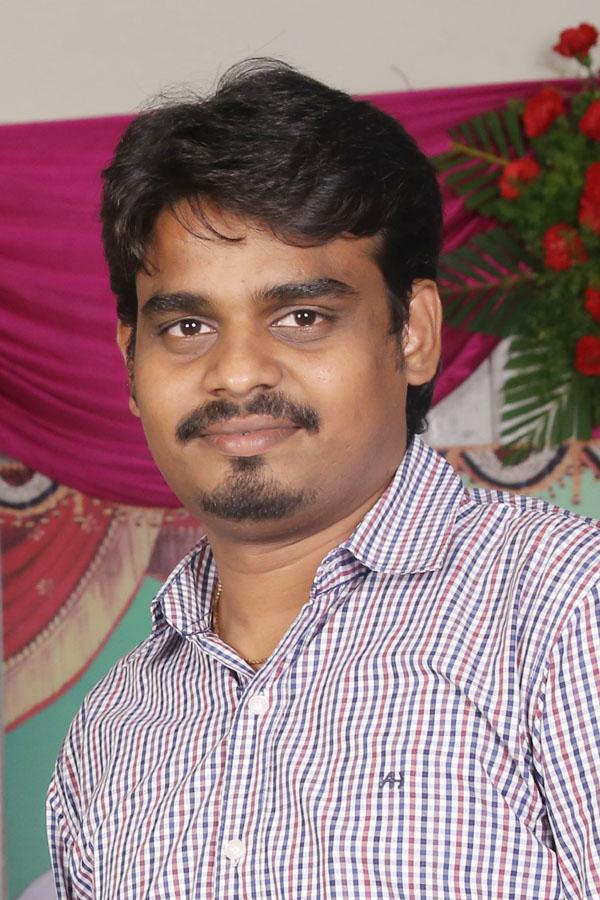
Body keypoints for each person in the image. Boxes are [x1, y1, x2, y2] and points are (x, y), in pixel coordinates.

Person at [47, 59, 600, 899]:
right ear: (131, 362)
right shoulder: (114, 727)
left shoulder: (564, 612)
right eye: (188, 326)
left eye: (302, 316)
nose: (237, 373)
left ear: (413, 332)